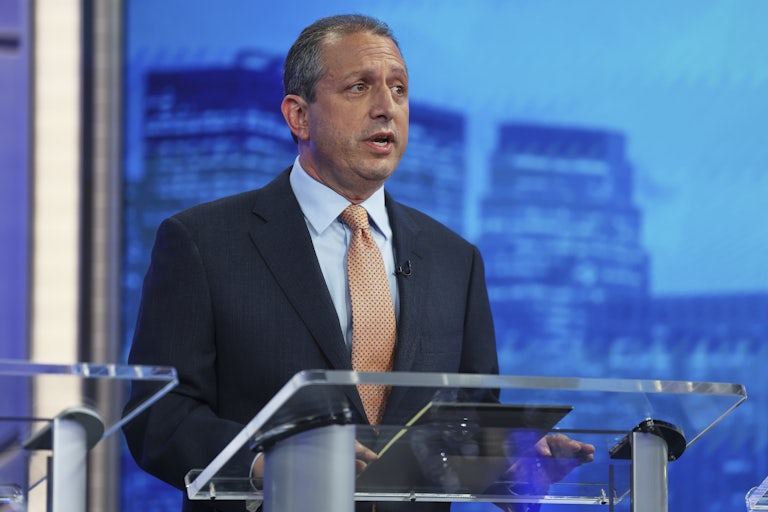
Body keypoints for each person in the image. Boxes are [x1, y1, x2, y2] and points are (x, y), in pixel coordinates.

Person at [123, 14, 593, 512]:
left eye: (398, 89)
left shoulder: (457, 260)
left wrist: (509, 460)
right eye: (359, 87)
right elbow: (159, 418)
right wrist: (270, 462)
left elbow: (470, 419)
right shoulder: (203, 243)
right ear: (299, 115)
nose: (386, 108)